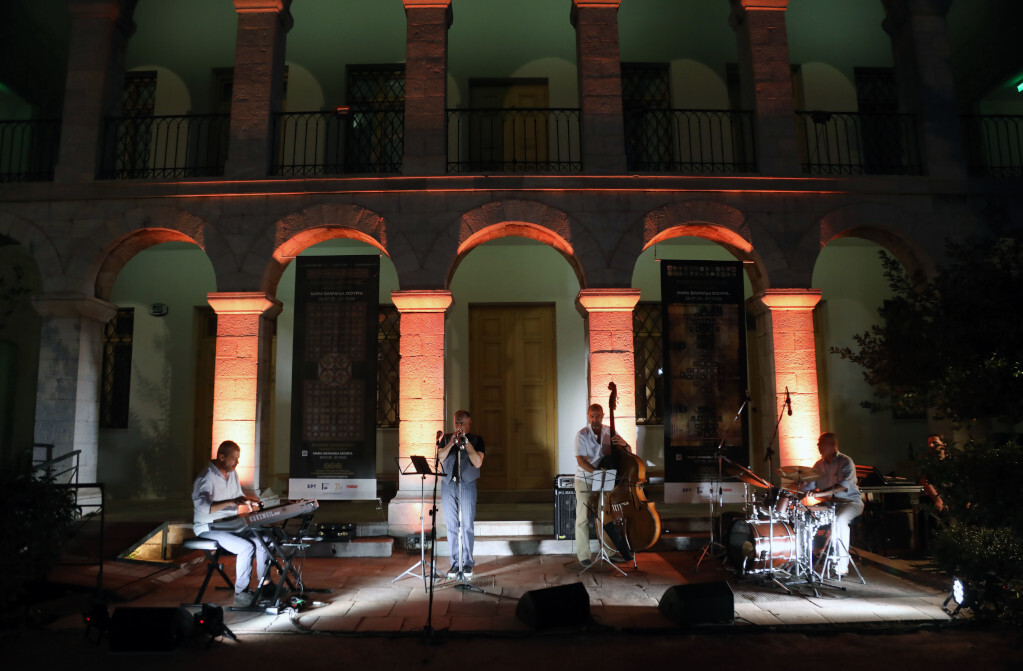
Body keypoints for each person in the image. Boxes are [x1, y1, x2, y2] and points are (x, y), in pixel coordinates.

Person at [192, 440, 270, 608]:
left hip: (230, 524)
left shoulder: (232, 473)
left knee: (263, 539)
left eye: (238, 458)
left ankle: (264, 584)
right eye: (234, 458)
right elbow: (203, 507)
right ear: (221, 457)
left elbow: (238, 497)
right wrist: (230, 502)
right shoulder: (205, 477)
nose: (237, 462)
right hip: (209, 527)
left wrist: (249, 501)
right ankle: (241, 594)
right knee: (246, 547)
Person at [574, 403, 633, 567]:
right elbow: (581, 461)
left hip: (605, 478)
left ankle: (609, 552)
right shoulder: (582, 434)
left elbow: (627, 452)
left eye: (598, 416)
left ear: (603, 416)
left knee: (604, 517)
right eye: (592, 416)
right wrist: (598, 473)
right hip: (585, 479)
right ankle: (584, 556)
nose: (595, 419)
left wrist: (624, 443)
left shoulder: (610, 432)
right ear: (588, 416)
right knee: (583, 518)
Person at [802, 432, 864, 577]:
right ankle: (802, 559)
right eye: (818, 443)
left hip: (851, 503)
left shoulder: (846, 461)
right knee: (803, 515)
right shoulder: (818, 465)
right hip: (831, 505)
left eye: (821, 443)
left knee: (840, 520)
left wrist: (819, 494)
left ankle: (841, 566)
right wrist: (796, 487)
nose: (818, 446)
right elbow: (809, 487)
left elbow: (842, 486)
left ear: (832, 445)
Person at [438, 410, 485, 579]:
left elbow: (478, 463)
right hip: (448, 484)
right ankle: (455, 563)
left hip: (467, 484)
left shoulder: (477, 440)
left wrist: (467, 443)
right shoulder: (446, 439)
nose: (459, 426)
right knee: (451, 525)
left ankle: (467, 563)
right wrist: (451, 443)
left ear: (469, 423)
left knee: (466, 525)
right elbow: (439, 458)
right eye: (457, 423)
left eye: (462, 423)